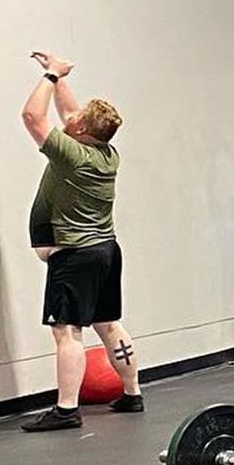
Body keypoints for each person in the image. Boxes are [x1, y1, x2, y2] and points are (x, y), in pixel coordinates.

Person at [19, 52, 143, 432]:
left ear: (81, 131)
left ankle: (66, 409)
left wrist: (49, 75)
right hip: (106, 250)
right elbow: (71, 112)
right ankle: (132, 393)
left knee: (67, 331)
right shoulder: (107, 153)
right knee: (109, 324)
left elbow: (32, 116)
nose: (70, 118)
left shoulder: (71, 155)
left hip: (76, 255)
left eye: (77, 120)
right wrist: (62, 76)